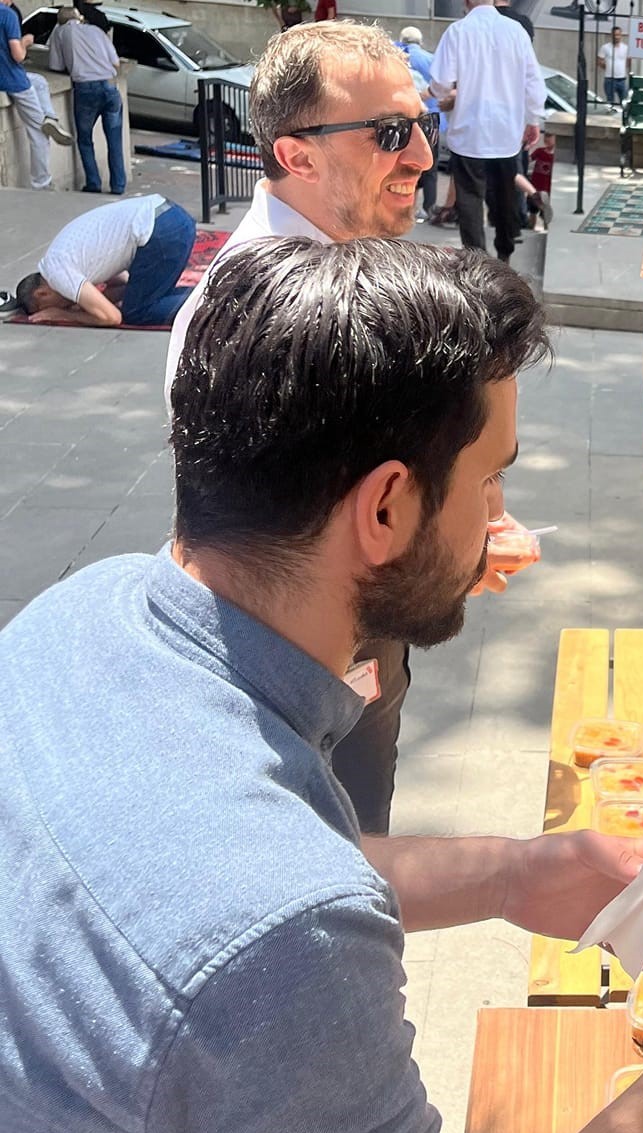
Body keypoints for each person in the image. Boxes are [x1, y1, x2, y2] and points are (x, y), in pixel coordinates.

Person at [0, 234, 643, 1133]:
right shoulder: (280, 939)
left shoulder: (80, 615)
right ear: (384, 509)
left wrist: (515, 876)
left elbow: (205, 879)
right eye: (493, 479)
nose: (496, 519)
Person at [167, 20, 534, 838]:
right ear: (296, 155)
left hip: (364, 656)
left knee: (363, 842)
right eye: (390, 135)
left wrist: (451, 529)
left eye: (422, 127)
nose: (422, 158)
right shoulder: (242, 315)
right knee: (327, 874)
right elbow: (279, 545)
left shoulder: (358, 267)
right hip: (295, 679)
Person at [431, 0, 546, 261]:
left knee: (469, 199)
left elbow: (440, 81)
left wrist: (446, 95)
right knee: (505, 194)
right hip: (505, 132)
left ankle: (477, 260)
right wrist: (533, 118)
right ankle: (504, 251)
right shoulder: (516, 31)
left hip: (469, 131)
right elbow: (533, 80)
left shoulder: (458, 32)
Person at [15, 195, 194, 327]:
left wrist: (64, 314)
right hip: (171, 218)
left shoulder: (57, 274)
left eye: (45, 308)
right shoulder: (59, 257)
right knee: (151, 296)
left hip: (162, 232)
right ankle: (210, 295)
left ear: (42, 294)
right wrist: (89, 305)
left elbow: (113, 317)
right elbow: (123, 285)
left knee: (138, 312)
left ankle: (212, 306)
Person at [47, 5, 122, 194]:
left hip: (86, 89)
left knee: (85, 139)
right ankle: (118, 186)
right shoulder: (96, 30)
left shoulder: (60, 33)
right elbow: (116, 62)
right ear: (79, 18)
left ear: (60, 21)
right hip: (110, 86)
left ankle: (94, 183)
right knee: (114, 140)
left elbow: (56, 65)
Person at [1, 1, 73, 190]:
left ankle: (51, 117)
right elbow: (18, 55)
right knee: (38, 134)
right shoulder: (7, 14)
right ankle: (42, 182)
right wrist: (26, 41)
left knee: (39, 81)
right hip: (14, 80)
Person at [398, 25, 442, 216]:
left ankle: (403, 207)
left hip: (400, 118)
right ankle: (429, 208)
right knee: (430, 165)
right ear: (420, 41)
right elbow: (442, 87)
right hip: (428, 119)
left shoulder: (393, 55)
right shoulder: (431, 60)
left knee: (400, 161)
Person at [597, 24, 629, 106]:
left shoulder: (625, 48)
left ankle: (623, 117)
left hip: (622, 79)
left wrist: (620, 68)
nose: (616, 37)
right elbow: (600, 61)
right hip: (609, 79)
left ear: (621, 35)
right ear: (611, 35)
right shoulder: (605, 47)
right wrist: (608, 68)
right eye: (615, 35)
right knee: (610, 102)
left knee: (624, 102)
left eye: (618, 35)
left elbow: (628, 61)